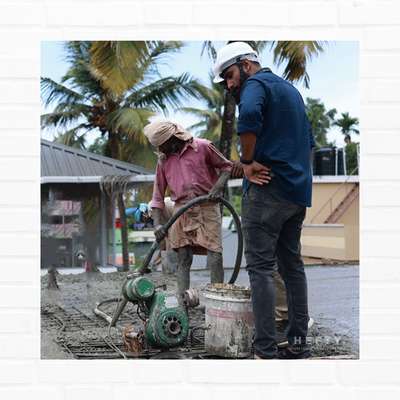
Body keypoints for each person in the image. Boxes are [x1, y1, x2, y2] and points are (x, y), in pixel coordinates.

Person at [213, 42, 315, 359]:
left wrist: (246, 162)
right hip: (296, 193)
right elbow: (309, 141)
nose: (229, 85)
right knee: (292, 267)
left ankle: (266, 349)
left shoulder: (255, 85)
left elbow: (249, 118)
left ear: (246, 64)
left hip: (267, 190)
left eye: (230, 76)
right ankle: (297, 344)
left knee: (260, 269)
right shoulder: (290, 91)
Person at [144, 121, 232, 303]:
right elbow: (158, 196)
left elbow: (226, 167)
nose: (161, 149)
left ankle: (217, 302)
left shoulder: (202, 147)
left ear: (172, 138)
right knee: (183, 257)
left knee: (215, 255)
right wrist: (158, 224)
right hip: (181, 209)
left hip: (207, 205)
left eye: (162, 144)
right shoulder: (163, 160)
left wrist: (218, 187)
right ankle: (182, 302)